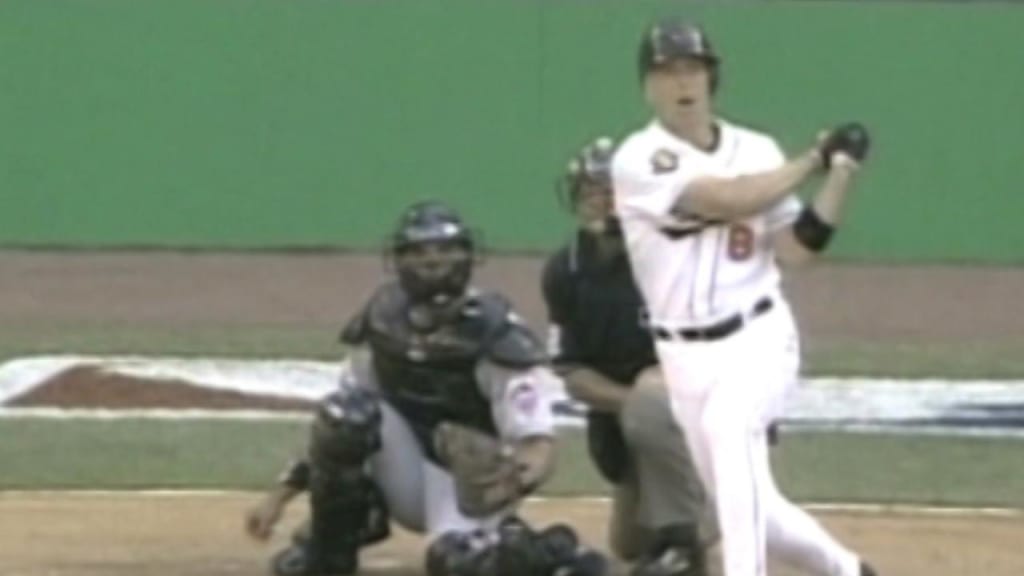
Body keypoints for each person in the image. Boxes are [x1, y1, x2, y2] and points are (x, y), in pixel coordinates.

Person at [610, 18, 876, 576]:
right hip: (682, 357)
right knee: (757, 508)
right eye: (667, 71)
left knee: (730, 430)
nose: (682, 82)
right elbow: (726, 199)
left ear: (711, 78)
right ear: (647, 86)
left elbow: (796, 249)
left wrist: (840, 174)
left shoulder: (757, 148)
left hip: (757, 337)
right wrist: (811, 160)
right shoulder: (639, 159)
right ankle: (849, 571)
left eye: (692, 68)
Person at [244, 201, 606, 576]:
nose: (432, 262)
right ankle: (328, 557)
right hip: (403, 468)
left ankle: (549, 553)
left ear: (467, 256)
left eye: (445, 251)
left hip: (465, 482)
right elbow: (342, 410)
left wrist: (515, 479)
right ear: (399, 259)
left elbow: (536, 441)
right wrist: (280, 496)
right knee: (345, 415)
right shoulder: (384, 316)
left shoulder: (493, 331)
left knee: (455, 565)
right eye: (419, 252)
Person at [542, 137, 711, 576]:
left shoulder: (676, 256)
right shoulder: (567, 270)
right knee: (629, 546)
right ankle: (682, 519)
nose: (602, 203)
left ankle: (692, 538)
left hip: (696, 412)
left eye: (614, 191)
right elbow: (572, 370)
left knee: (653, 398)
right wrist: (634, 405)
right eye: (592, 192)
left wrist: (656, 402)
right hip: (625, 423)